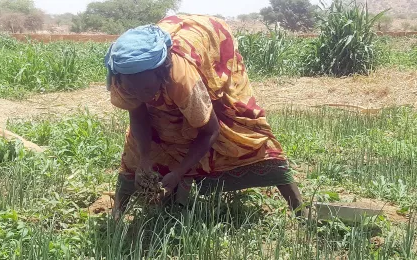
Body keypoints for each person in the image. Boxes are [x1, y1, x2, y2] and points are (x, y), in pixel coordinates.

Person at [104, 14, 304, 217]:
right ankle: (117, 217)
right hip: (167, 68)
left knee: (242, 131)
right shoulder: (121, 79)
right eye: (133, 90)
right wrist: (144, 159)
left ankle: (300, 210)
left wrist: (179, 172)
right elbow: (138, 115)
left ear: (161, 74)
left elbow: (210, 131)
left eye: (147, 88)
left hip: (210, 40)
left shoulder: (181, 79)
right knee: (139, 148)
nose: (141, 95)